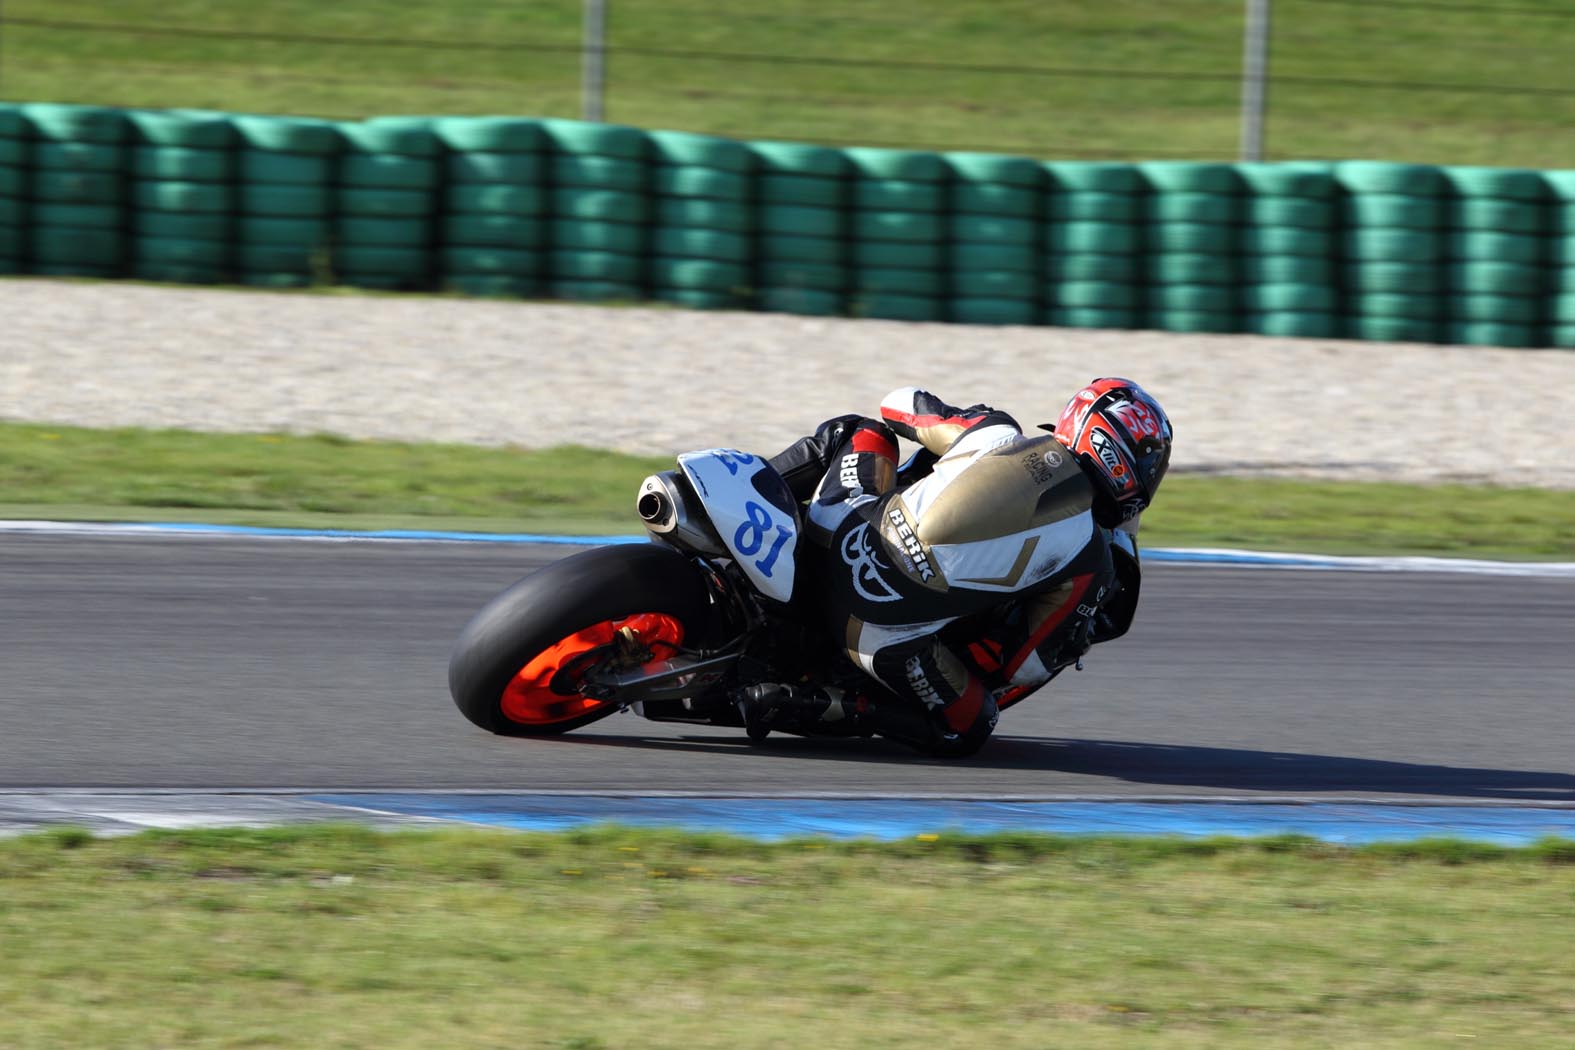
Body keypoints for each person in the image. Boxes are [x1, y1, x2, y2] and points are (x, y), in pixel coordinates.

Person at [740, 379, 1173, 757]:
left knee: (857, 431)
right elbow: (1026, 666)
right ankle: (806, 702)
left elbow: (897, 404)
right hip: (873, 633)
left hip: (834, 532)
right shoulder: (1090, 559)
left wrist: (954, 420)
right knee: (970, 725)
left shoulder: (996, 432)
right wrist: (1072, 642)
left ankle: (747, 497)